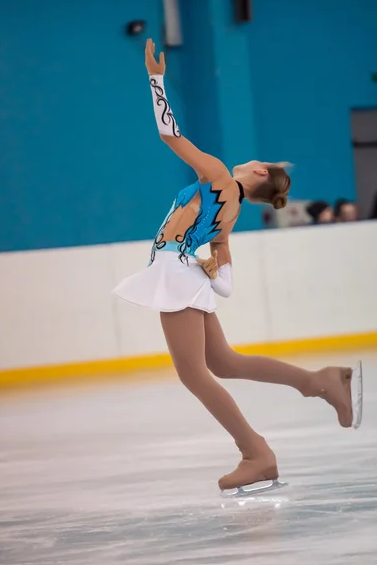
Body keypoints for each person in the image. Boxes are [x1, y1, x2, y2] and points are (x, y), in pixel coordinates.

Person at [113, 39, 360, 492]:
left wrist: (155, 79)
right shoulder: (233, 212)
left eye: (260, 161)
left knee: (194, 372)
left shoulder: (220, 177)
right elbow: (225, 276)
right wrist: (210, 267)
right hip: (184, 272)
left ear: (261, 173)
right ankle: (318, 381)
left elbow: (170, 135)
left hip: (175, 274)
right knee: (223, 362)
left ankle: (256, 452)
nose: (251, 159)